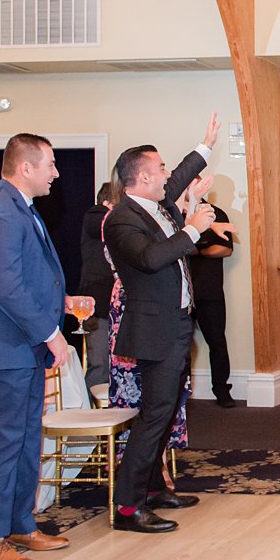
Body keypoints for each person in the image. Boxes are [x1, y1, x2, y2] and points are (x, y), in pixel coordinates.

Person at [0, 133, 79, 560]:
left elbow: (28, 275)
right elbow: (6, 287)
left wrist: (57, 303)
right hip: (5, 347)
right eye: (49, 164)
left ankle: (19, 523)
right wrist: (51, 332)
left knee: (28, 438)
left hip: (23, 347)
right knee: (4, 443)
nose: (56, 173)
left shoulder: (20, 209)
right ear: (26, 167)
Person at [104, 113, 219, 532]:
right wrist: (190, 230)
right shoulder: (122, 219)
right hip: (155, 329)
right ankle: (128, 508)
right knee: (153, 415)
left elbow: (182, 176)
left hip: (175, 326)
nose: (168, 173)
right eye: (160, 169)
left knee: (165, 411)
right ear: (139, 179)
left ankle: (153, 489)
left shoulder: (155, 205)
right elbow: (150, 259)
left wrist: (205, 145)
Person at [189, 193, 237, 408]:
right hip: (180, 293)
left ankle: (222, 390)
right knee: (180, 347)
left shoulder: (216, 214)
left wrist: (194, 250)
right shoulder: (174, 214)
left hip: (209, 291)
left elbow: (224, 249)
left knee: (217, 342)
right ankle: (181, 392)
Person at [77, 183, 116, 389]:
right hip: (98, 302)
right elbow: (104, 223)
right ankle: (92, 416)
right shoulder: (96, 215)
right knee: (100, 363)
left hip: (113, 302)